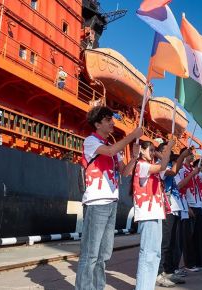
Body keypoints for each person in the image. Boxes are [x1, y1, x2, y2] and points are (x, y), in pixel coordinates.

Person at [75, 106, 143, 290]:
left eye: (112, 119)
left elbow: (125, 172)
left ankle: (98, 287)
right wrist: (132, 134)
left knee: (104, 254)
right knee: (90, 254)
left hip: (111, 203)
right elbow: (110, 151)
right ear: (97, 124)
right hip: (96, 203)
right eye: (108, 120)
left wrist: (135, 158)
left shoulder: (114, 147)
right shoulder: (91, 141)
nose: (113, 122)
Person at [133, 140, 173, 290]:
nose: (152, 152)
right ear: (142, 151)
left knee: (155, 254)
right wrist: (166, 149)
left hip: (156, 212)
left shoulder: (151, 167)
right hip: (147, 213)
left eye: (153, 150)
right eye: (149, 150)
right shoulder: (142, 165)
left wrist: (156, 153)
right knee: (147, 254)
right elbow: (163, 166)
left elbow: (166, 167)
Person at [156, 146, 191, 287]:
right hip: (167, 209)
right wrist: (182, 156)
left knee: (172, 244)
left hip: (176, 208)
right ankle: (159, 273)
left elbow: (176, 168)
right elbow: (174, 171)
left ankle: (169, 271)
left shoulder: (169, 164)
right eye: (166, 149)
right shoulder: (160, 165)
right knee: (164, 244)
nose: (170, 151)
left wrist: (182, 157)